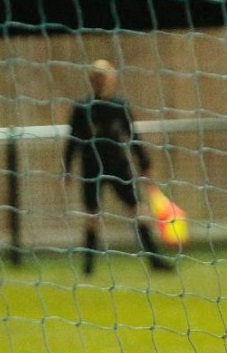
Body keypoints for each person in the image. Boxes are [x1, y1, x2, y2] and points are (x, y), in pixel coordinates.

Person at [64, 59, 172, 275]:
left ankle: (154, 259)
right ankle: (88, 266)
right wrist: (67, 169)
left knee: (137, 210)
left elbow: (133, 136)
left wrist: (145, 164)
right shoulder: (81, 108)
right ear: (91, 80)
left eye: (104, 76)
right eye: (97, 76)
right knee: (92, 215)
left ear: (111, 79)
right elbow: (72, 141)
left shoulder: (119, 106)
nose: (101, 80)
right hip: (92, 168)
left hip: (118, 166)